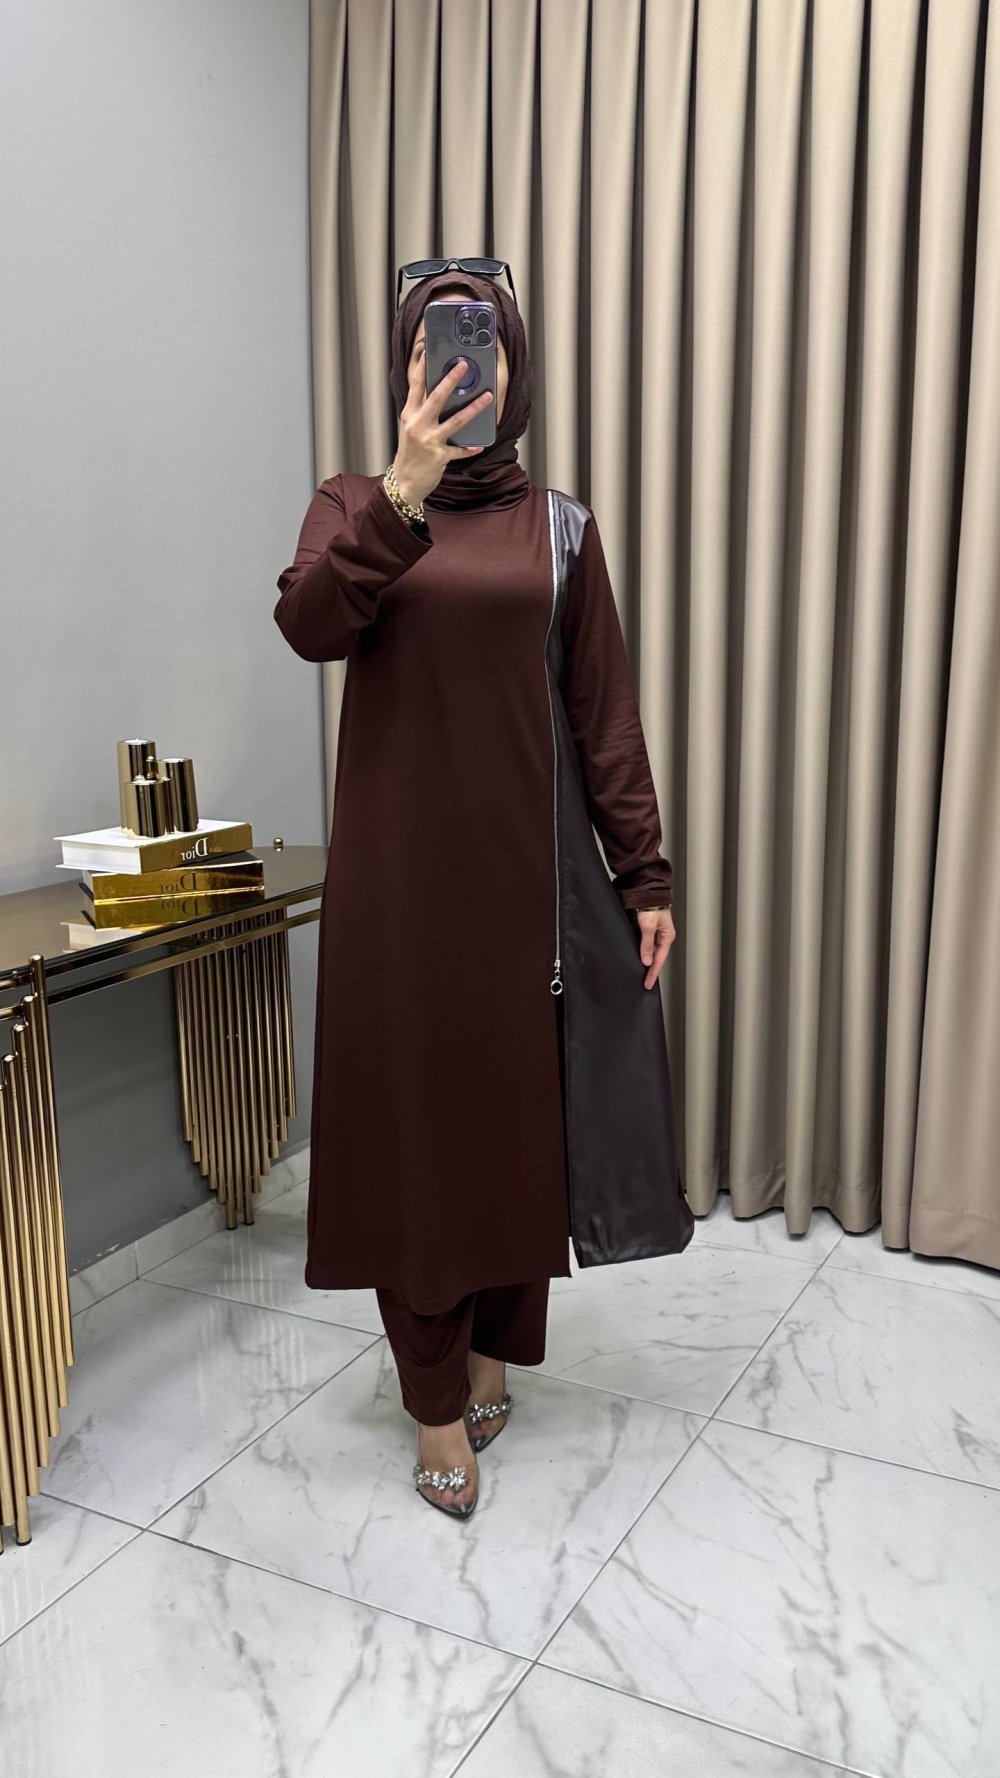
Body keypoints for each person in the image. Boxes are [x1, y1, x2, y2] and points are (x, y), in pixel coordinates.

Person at [274, 264, 693, 1521]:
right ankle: (433, 1400)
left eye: (483, 346)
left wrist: (643, 871)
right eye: (435, 346)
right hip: (400, 899)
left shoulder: (559, 528)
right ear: (405, 368)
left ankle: (499, 1345)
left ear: (514, 369)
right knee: (417, 1140)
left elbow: (602, 712)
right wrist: (402, 488)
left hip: (528, 890)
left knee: (515, 1130)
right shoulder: (352, 503)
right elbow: (309, 627)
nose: (461, 367)